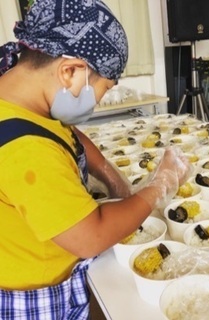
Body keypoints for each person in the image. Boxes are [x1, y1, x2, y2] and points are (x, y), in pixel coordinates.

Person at [0, 0, 192, 319]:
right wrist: (162, 184)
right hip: (36, 293)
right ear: (69, 70)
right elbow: (91, 236)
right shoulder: (25, 150)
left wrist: (107, 172)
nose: (98, 100)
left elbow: (65, 131)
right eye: (103, 88)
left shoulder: (19, 93)